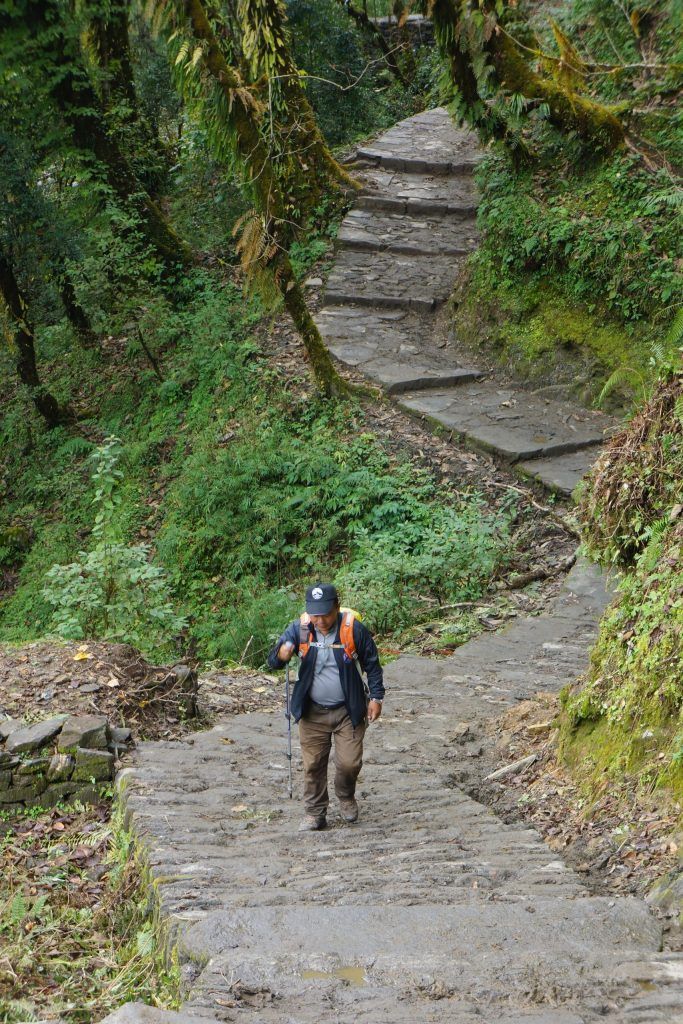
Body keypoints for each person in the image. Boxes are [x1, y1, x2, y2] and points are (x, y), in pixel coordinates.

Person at [268, 582, 385, 831]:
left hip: (348, 710)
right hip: (312, 711)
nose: (320, 620)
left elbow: (372, 665)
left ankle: (346, 796)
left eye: (325, 614)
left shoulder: (353, 630)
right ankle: (315, 813)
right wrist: (282, 654)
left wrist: (376, 698)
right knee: (313, 764)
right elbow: (273, 661)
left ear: (337, 607)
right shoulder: (300, 629)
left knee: (349, 763)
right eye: (315, 615)